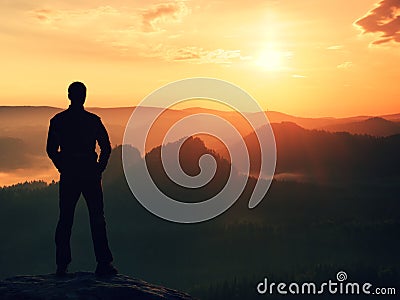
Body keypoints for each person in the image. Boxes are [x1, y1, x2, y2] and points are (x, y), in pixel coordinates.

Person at [46, 81, 117, 276]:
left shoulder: (58, 121)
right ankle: (103, 263)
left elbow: (51, 150)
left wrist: (64, 167)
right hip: (89, 173)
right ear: (83, 96)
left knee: (66, 220)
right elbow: (106, 147)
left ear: (69, 95)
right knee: (97, 219)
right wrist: (98, 169)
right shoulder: (93, 120)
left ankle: (62, 266)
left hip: (71, 175)